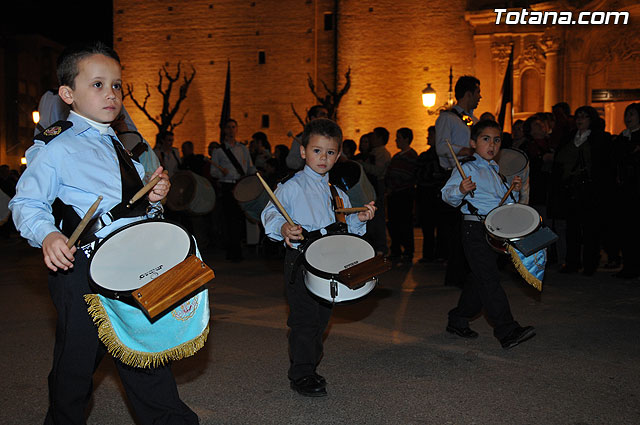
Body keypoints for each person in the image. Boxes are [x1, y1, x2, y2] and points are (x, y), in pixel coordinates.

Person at [9, 42, 200, 424]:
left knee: (141, 350)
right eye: (97, 84)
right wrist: (47, 235)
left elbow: (133, 212)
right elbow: (26, 203)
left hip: (129, 262)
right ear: (68, 94)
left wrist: (154, 197)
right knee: (76, 365)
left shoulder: (124, 145)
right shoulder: (57, 147)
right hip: (81, 266)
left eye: (116, 85)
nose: (110, 94)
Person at [261, 118, 376, 397]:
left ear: (338, 155)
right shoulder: (291, 186)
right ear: (303, 151)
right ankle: (302, 372)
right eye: (316, 151)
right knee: (304, 320)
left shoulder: (338, 193)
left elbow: (349, 231)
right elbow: (270, 213)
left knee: (322, 319)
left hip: (329, 263)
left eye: (330, 152)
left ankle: (309, 363)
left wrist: (359, 219)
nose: (323, 158)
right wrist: (283, 227)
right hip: (300, 261)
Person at [441, 119, 535, 349]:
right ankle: (507, 330)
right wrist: (460, 190)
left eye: (496, 140)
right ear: (473, 143)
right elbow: (447, 195)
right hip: (474, 229)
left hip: (494, 231)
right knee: (489, 279)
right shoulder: (467, 167)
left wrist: (513, 191)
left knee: (480, 278)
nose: (492, 145)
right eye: (485, 139)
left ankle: (458, 318)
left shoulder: (497, 171)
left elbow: (505, 205)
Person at [435, 75, 481, 287]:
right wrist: (465, 149)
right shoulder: (447, 118)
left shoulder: (475, 121)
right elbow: (441, 147)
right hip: (453, 175)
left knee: (471, 225)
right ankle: (456, 275)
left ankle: (470, 271)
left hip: (473, 176)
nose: (480, 97)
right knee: (456, 229)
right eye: (478, 92)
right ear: (469, 93)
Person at [209, 118, 256, 262]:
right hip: (227, 186)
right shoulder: (219, 151)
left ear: (237, 129)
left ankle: (238, 250)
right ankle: (232, 251)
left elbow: (249, 167)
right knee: (230, 220)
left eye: (233, 127)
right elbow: (213, 171)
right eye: (228, 127)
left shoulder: (243, 149)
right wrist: (220, 173)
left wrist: (257, 174)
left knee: (240, 219)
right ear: (224, 130)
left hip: (241, 185)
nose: (231, 130)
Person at [612, 103, 640, 278]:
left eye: (632, 114)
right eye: (626, 114)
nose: (628, 118)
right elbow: (617, 157)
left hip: (637, 188)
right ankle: (629, 265)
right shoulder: (623, 137)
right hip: (624, 189)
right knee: (626, 229)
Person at [384, 127, 418, 264]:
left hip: (404, 194)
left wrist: (394, 186)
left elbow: (406, 175)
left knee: (404, 223)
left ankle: (408, 251)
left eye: (398, 137)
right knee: (393, 223)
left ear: (406, 139)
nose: (396, 140)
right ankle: (396, 249)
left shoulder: (411, 156)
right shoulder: (397, 156)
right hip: (394, 194)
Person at [415, 126, 449, 262]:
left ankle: (440, 253)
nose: (428, 138)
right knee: (427, 226)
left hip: (437, 195)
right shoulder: (424, 156)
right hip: (427, 194)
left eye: (431, 135)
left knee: (440, 226)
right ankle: (429, 254)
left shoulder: (443, 157)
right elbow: (419, 174)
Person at [358, 127, 391, 256]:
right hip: (371, 186)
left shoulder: (381, 153)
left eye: (374, 137)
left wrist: (363, 165)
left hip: (377, 186)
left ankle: (381, 247)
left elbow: (378, 171)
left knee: (377, 217)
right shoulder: (373, 152)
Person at [286, 105, 329, 171]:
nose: (326, 117)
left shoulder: (331, 138)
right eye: (322, 114)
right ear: (313, 118)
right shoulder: (301, 138)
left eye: (326, 115)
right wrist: (305, 157)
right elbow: (290, 162)